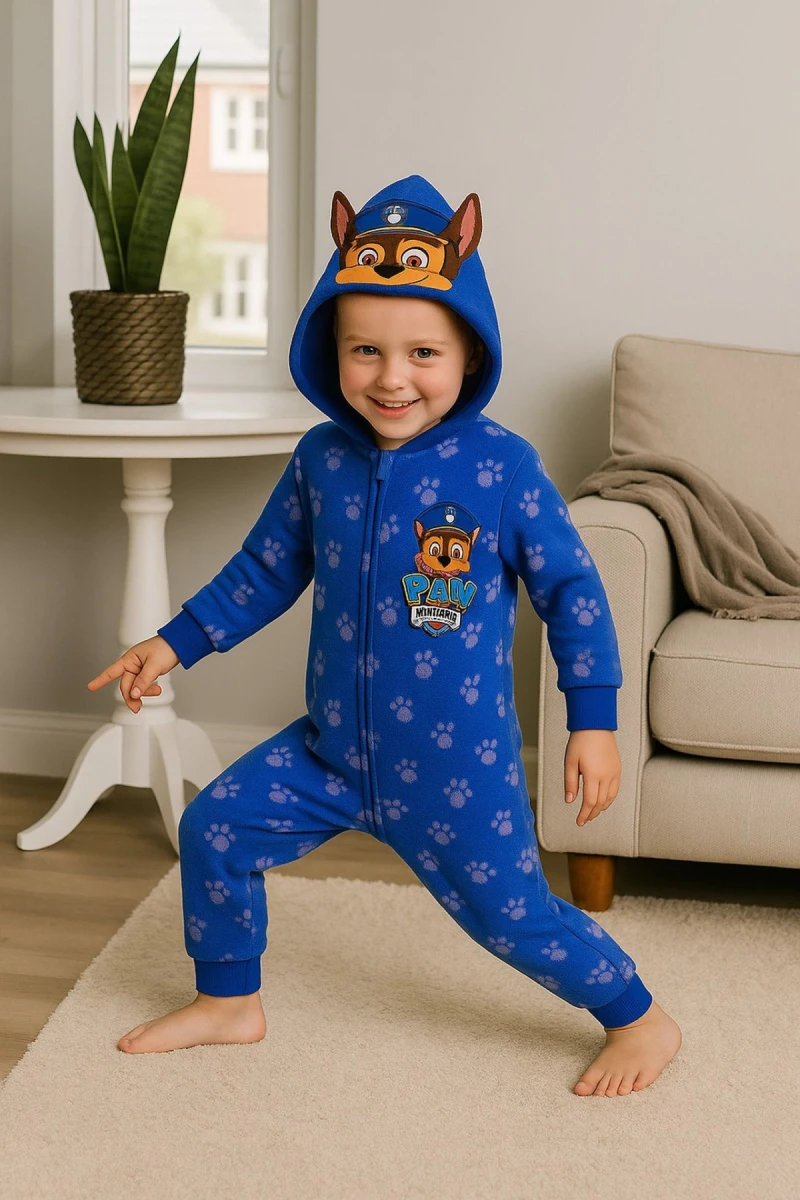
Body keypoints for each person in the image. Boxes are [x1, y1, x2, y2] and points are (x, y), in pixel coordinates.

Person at [87, 175, 681, 1095]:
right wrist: (170, 644)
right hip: (329, 752)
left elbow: (575, 595)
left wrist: (594, 722)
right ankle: (229, 1002)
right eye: (365, 349)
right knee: (216, 828)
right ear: (332, 349)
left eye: (422, 353)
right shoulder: (321, 459)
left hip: (454, 765)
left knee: (513, 918)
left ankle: (638, 1016)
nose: (391, 377)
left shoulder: (501, 468)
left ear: (469, 354)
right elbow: (263, 570)